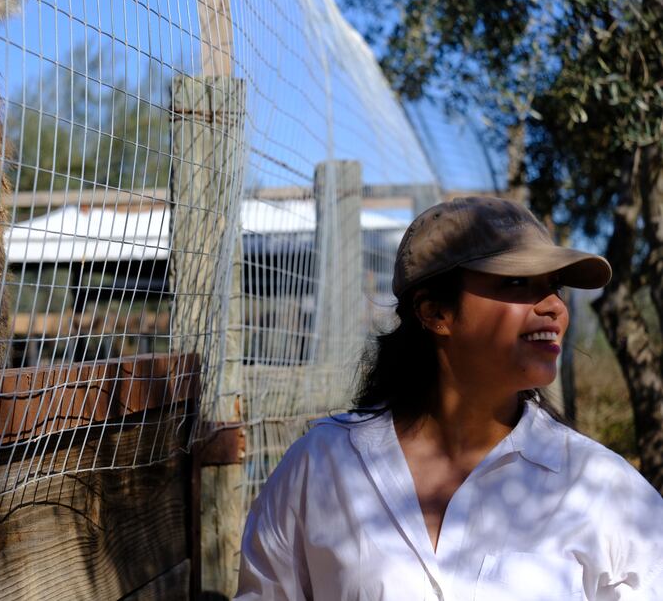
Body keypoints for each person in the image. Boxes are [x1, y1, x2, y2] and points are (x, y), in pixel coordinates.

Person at [235, 196, 663, 600]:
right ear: (434, 312)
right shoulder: (322, 467)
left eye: (554, 287)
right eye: (517, 282)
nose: (554, 307)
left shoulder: (605, 489)